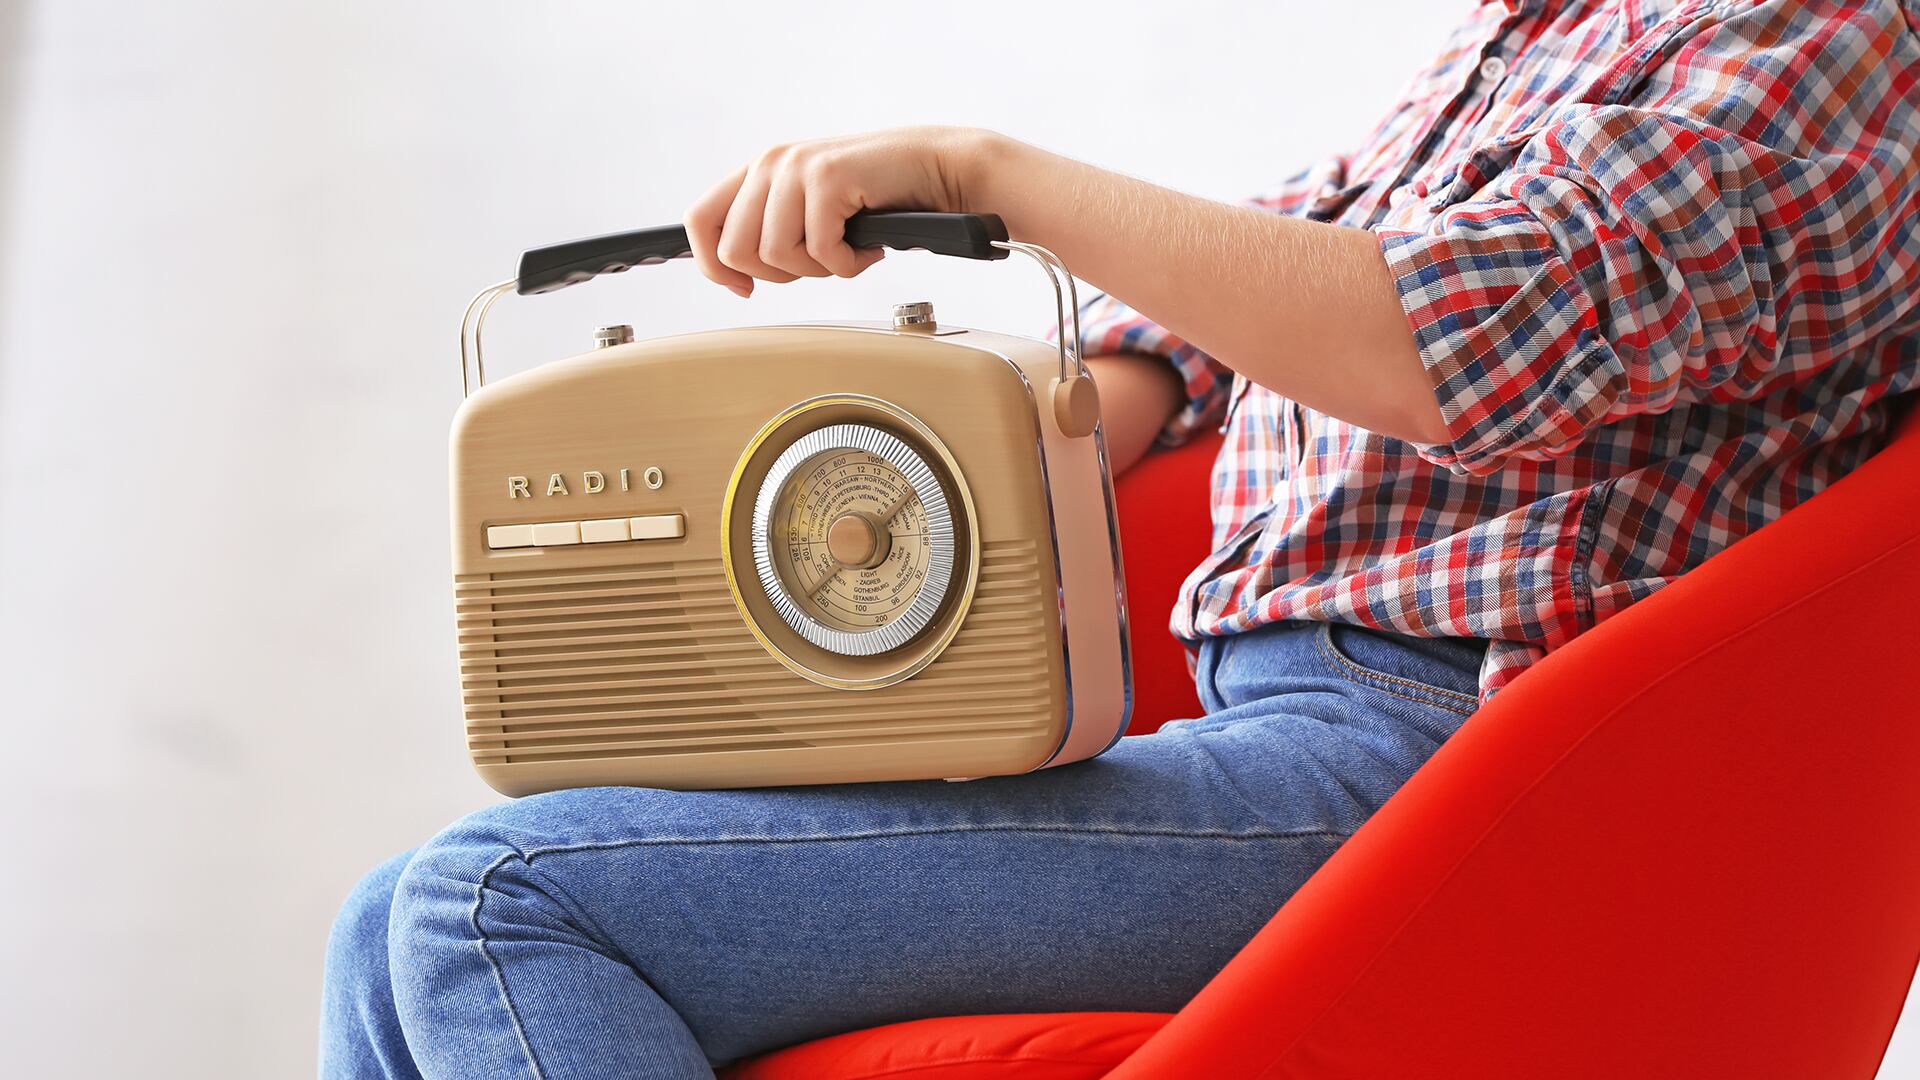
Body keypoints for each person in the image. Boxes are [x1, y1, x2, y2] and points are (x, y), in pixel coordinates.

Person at [321, 2, 1920, 1075]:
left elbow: (1443, 335)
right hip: (1292, 726)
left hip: (1459, 783)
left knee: (494, 900)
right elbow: (1318, 238)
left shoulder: (1822, 56)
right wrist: (1138, 370)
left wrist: (985, 178)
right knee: (382, 916)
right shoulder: (1563, 28)